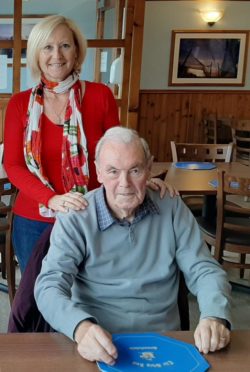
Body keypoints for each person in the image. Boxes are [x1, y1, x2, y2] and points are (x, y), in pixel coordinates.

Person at [35, 127, 232, 366]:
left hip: (163, 340)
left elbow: (204, 269)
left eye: (135, 170)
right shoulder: (76, 217)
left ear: (149, 168)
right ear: (98, 171)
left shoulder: (171, 207)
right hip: (96, 342)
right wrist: (79, 328)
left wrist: (214, 315)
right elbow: (49, 285)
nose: (124, 183)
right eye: (113, 171)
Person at [3, 15, 171, 274]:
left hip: (93, 214)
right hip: (34, 220)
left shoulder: (99, 95)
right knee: (38, 298)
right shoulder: (18, 104)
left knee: (92, 295)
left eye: (65, 46)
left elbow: (119, 151)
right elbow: (13, 165)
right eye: (47, 47)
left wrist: (140, 177)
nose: (56, 55)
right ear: (36, 54)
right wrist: (52, 199)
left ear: (77, 51)